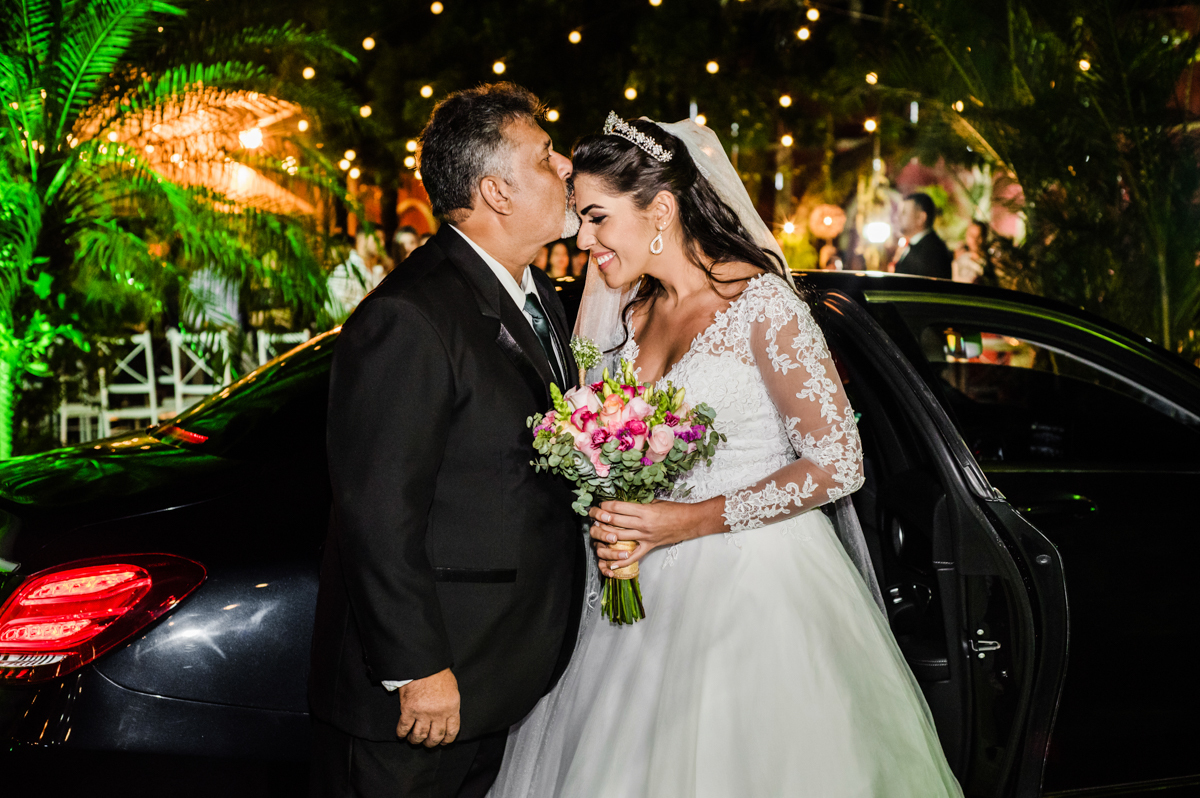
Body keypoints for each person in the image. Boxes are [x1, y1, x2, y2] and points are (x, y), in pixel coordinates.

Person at [487, 116, 963, 797]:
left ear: (659, 210)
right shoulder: (634, 315)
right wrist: (617, 512)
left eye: (595, 218)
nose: (582, 239)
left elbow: (838, 462)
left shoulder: (760, 304)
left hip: (760, 587)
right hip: (641, 598)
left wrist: (686, 521)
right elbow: (616, 447)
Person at [309, 82, 585, 798]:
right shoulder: (410, 314)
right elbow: (376, 507)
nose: (566, 169)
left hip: (502, 668)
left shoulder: (542, 296)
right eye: (546, 156)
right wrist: (418, 669)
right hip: (429, 691)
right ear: (496, 192)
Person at [894, 192, 952, 279]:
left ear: (921, 218)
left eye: (904, 212)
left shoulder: (932, 252)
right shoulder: (915, 246)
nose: (897, 217)